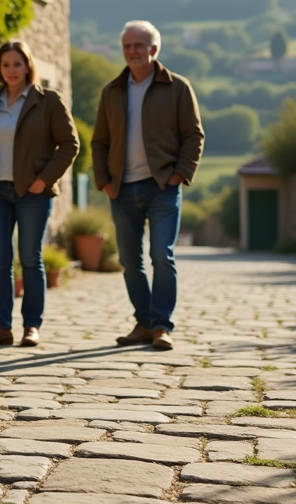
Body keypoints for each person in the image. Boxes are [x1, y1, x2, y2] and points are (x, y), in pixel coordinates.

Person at [92, 20, 204, 351]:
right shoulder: (112, 91)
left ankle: (162, 326)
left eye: (139, 45)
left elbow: (193, 135)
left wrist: (178, 175)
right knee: (129, 260)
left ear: (154, 49)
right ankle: (143, 322)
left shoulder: (178, 87)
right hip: (121, 189)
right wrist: (104, 181)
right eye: (128, 46)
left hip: (162, 188)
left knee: (161, 255)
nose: (133, 51)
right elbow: (99, 141)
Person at [0, 40, 79, 347]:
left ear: (28, 65)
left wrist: (43, 180)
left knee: (30, 259)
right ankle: (1, 327)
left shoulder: (48, 101)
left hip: (33, 193)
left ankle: (32, 326)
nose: (11, 70)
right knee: (0, 260)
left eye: (17, 64)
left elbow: (70, 144)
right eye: (5, 65)